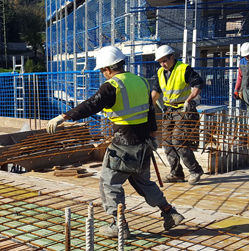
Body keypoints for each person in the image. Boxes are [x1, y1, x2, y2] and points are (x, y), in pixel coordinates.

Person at [46, 45, 185, 237]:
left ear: (108, 69)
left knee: (109, 184)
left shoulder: (112, 85)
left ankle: (118, 225)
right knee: (143, 182)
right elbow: (150, 110)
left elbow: (91, 104)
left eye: (103, 71)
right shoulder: (142, 81)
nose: (103, 74)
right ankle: (170, 212)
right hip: (144, 143)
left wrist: (65, 116)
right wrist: (154, 136)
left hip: (123, 146)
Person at [151, 45, 205, 185]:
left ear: (172, 57)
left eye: (165, 61)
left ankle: (195, 170)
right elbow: (156, 92)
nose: (163, 64)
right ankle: (176, 173)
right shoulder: (160, 73)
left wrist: (190, 99)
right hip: (168, 111)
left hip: (183, 110)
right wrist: (148, 105)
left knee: (178, 141)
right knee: (167, 143)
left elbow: (198, 83)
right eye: (160, 62)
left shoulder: (183, 69)